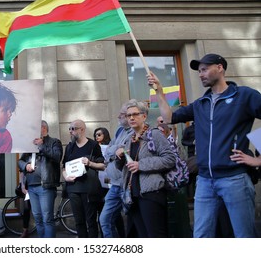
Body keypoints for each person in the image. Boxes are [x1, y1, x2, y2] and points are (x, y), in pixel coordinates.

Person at [147, 53, 261, 237]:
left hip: (235, 179)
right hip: (205, 181)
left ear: (220, 68)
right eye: (199, 71)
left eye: (205, 69)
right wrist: (159, 91)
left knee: (244, 237)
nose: (200, 74)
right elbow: (168, 118)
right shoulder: (200, 104)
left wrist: (258, 159)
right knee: (200, 237)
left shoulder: (244, 95)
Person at [115, 100, 176, 238]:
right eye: (128, 115)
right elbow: (124, 168)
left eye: (135, 114)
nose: (131, 118)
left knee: (156, 236)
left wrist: (140, 165)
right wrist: (120, 157)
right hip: (133, 194)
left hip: (151, 193)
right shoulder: (130, 139)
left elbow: (169, 159)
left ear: (144, 116)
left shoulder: (154, 134)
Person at [18, 120, 63, 238]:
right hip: (31, 187)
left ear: (43, 128)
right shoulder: (30, 144)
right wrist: (25, 166)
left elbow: (57, 157)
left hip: (46, 186)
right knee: (37, 218)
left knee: (47, 218)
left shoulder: (54, 142)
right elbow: (20, 161)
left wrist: (41, 146)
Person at [62, 119, 105, 238]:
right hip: (73, 188)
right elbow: (64, 167)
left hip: (89, 189)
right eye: (69, 129)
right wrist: (66, 177)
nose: (71, 131)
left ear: (82, 129)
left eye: (73, 129)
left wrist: (90, 163)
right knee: (79, 222)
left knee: (91, 221)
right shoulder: (70, 147)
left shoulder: (93, 145)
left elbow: (103, 166)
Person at [99, 101, 133, 238]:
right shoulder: (120, 130)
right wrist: (115, 149)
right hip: (114, 184)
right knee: (104, 219)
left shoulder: (134, 132)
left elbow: (124, 150)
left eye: (122, 114)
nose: (119, 116)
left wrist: (116, 149)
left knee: (133, 221)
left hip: (126, 184)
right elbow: (109, 150)